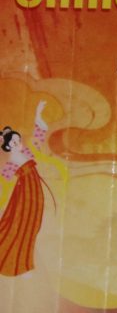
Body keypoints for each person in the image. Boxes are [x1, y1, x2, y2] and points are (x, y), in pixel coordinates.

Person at [0, 100, 50, 276]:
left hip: (34, 190)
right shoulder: (12, 162)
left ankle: (24, 262)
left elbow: (38, 140)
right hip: (24, 195)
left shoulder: (25, 153)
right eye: (14, 142)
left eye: (18, 140)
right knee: (22, 224)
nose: (18, 143)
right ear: (7, 146)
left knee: (33, 224)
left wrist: (38, 116)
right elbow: (4, 179)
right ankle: (17, 264)